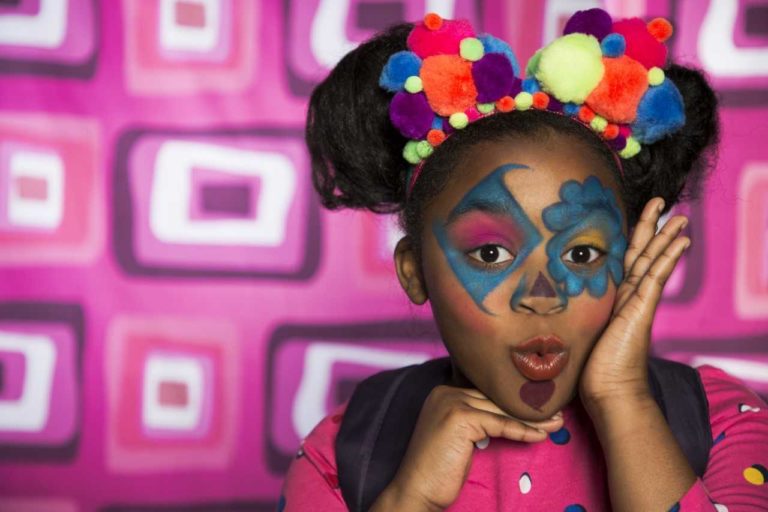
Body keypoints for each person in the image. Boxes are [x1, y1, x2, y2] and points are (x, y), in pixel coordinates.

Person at [280, 9, 768, 511]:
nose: (542, 295)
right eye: (491, 253)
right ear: (414, 270)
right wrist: (411, 497)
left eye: (581, 253)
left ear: (630, 256)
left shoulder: (720, 419)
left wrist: (624, 398)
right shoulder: (343, 450)